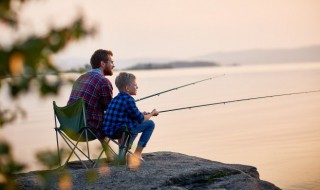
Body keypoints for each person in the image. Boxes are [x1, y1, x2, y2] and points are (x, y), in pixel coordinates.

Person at [102, 72, 159, 170]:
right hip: (120, 131)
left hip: (108, 132)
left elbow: (128, 113)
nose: (137, 87)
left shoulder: (115, 99)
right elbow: (141, 119)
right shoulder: (129, 100)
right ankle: (137, 154)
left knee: (133, 123)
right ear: (127, 88)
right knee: (150, 124)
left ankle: (123, 154)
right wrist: (152, 114)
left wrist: (142, 113)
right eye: (135, 85)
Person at [67, 49, 115, 140]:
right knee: (123, 121)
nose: (113, 65)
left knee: (101, 117)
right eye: (111, 62)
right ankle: (124, 153)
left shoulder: (81, 78)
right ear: (103, 64)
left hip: (70, 127)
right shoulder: (103, 81)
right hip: (88, 129)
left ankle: (110, 154)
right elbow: (110, 110)